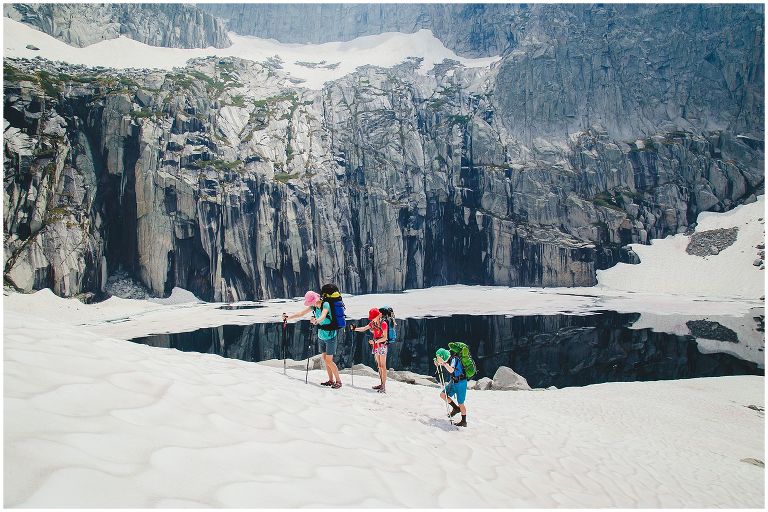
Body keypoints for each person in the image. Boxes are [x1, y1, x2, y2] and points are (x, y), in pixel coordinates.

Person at [283, 291, 342, 389]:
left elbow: (324, 315)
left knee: (329, 360)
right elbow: (301, 313)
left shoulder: (325, 304)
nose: (312, 304)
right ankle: (331, 380)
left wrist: (317, 321)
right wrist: (288, 318)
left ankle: (338, 381)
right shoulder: (313, 307)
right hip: (321, 336)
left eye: (312, 301)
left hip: (331, 336)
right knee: (325, 359)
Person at [350, 308, 388, 393]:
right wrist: (355, 329)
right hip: (376, 346)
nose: (372, 319)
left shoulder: (384, 324)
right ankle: (381, 383)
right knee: (379, 366)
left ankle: (383, 386)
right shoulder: (373, 323)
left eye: (373, 317)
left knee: (383, 366)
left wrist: (375, 341)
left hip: (382, 346)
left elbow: (385, 337)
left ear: (378, 316)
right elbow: (364, 328)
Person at [434, 347, 468, 427]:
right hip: (453, 381)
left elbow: (451, 370)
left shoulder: (454, 359)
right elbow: (444, 364)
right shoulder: (449, 359)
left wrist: (443, 363)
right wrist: (438, 363)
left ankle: (464, 421)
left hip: (461, 383)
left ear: (443, 356)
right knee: (442, 395)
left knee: (461, 403)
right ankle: (456, 408)